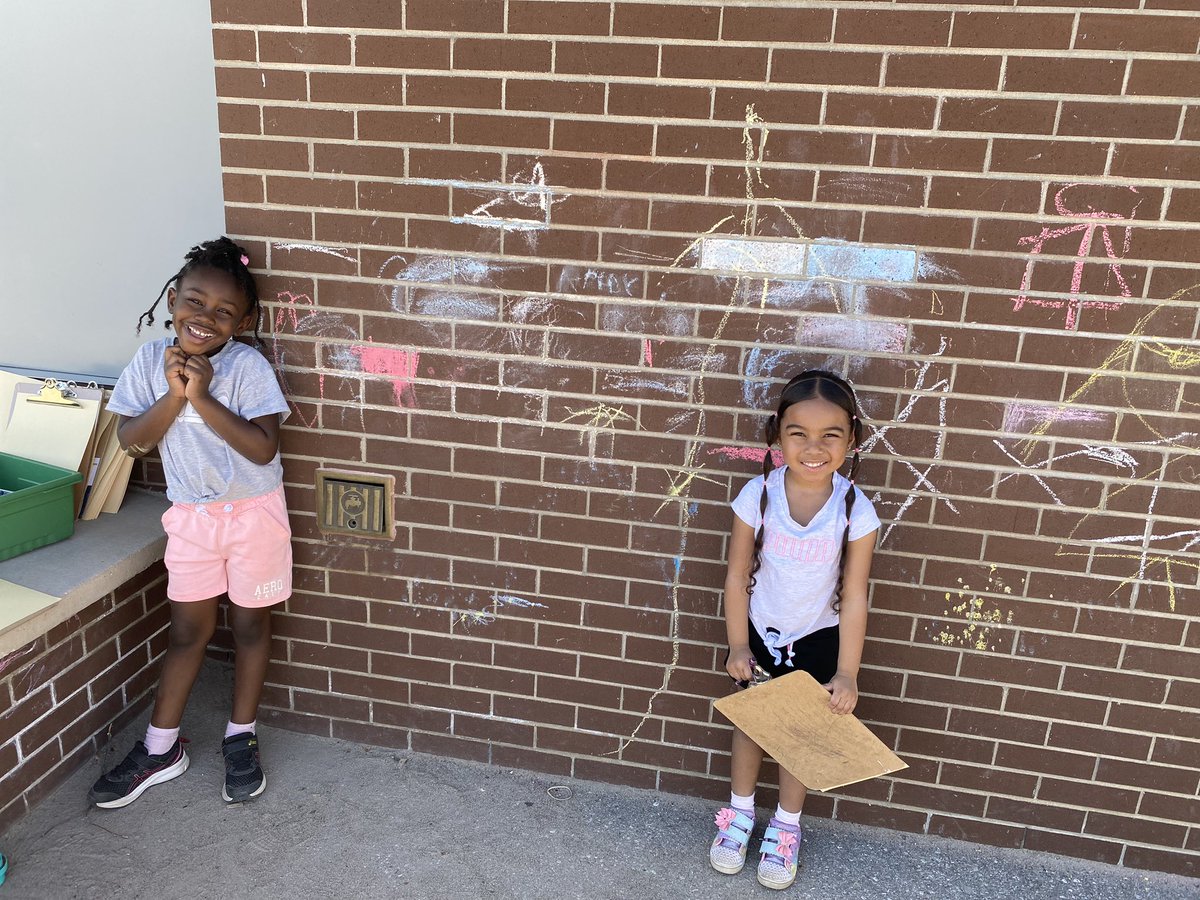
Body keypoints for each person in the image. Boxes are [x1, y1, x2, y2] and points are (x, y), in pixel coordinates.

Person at [89, 237, 292, 808]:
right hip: (192, 519)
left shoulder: (247, 366)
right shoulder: (150, 362)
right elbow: (131, 441)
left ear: (243, 322)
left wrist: (200, 395)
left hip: (254, 518)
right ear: (172, 299)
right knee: (187, 631)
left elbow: (262, 449)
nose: (205, 317)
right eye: (195, 301)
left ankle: (240, 736)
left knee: (250, 626)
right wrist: (175, 395)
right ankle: (160, 748)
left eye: (224, 311)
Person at [709, 370, 880, 890]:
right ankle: (739, 816)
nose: (814, 447)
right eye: (798, 433)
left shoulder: (854, 510)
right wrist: (738, 643)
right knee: (753, 724)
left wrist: (847, 672)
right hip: (760, 632)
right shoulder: (758, 496)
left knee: (801, 733)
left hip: (818, 636)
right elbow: (736, 575)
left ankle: (786, 827)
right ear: (776, 436)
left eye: (831, 434)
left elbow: (855, 595)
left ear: (851, 439)